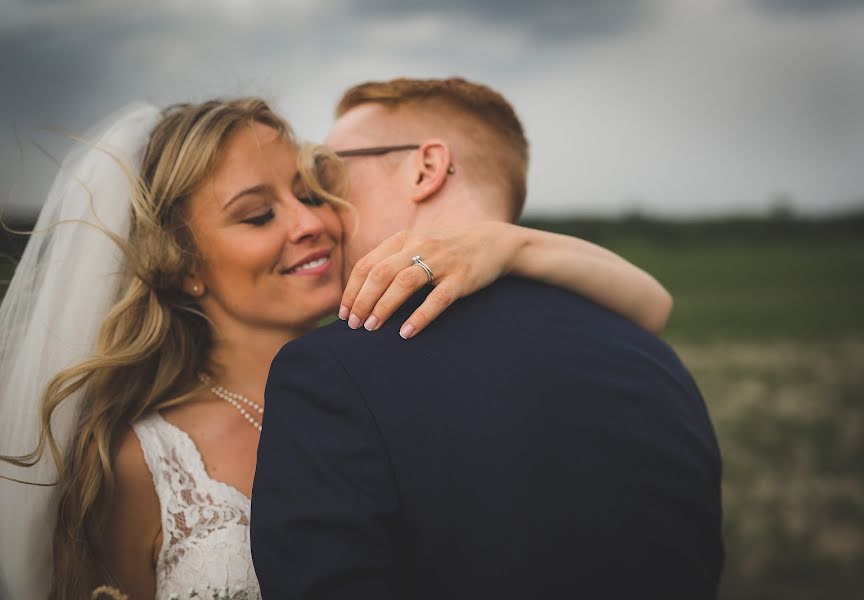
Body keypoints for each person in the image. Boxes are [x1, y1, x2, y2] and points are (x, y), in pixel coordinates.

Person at [0, 94, 673, 599]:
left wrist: (507, 242)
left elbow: (653, 305)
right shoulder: (140, 463)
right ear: (184, 266)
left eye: (310, 193)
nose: (313, 224)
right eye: (259, 214)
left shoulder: (392, 371)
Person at [252, 77, 724, 599]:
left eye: (329, 172)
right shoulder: (656, 361)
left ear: (426, 169)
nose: (318, 206)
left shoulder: (330, 373)